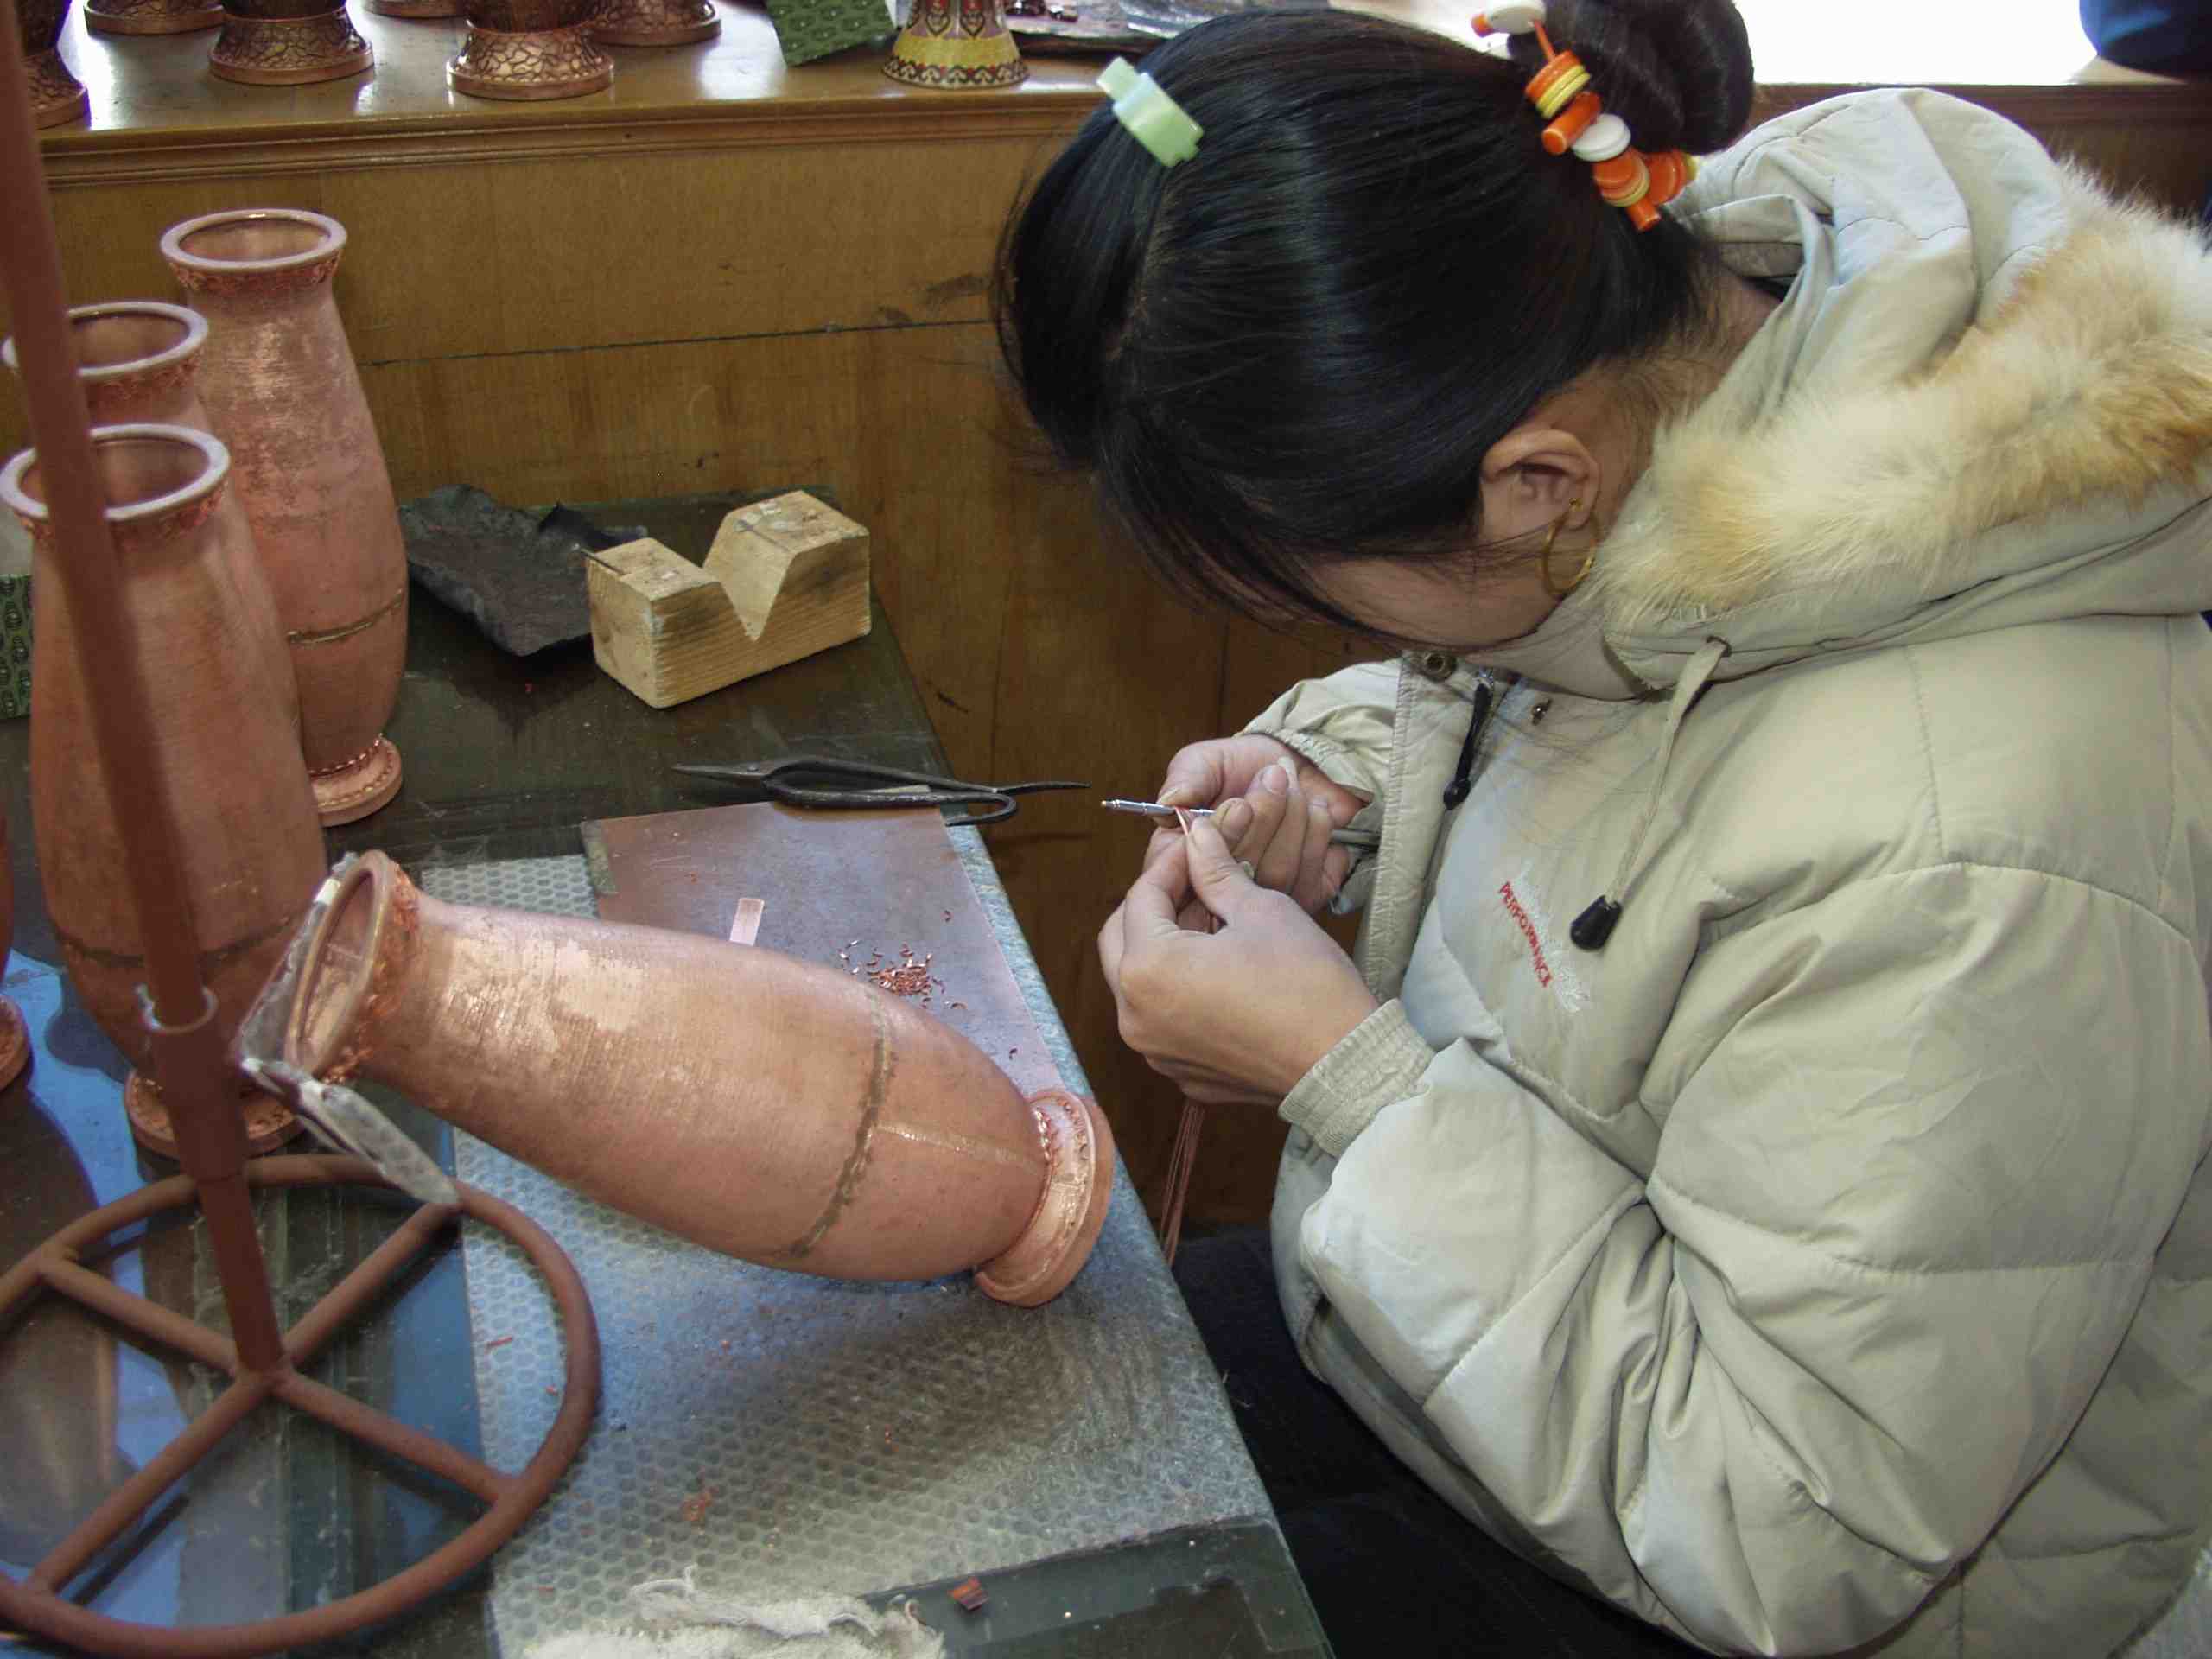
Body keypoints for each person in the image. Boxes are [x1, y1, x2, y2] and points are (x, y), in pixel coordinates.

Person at [993, 2, 2212, 1655]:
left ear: (1535, 488)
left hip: (1750, 1570)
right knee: (1019, 1405)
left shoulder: (1976, 858)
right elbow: (1586, 715)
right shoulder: (1678, 358)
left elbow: (1791, 1530)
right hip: (1494, 1354)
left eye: (1320, 595)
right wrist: (1333, 790)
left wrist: (1343, 1082)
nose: (1334, 634)